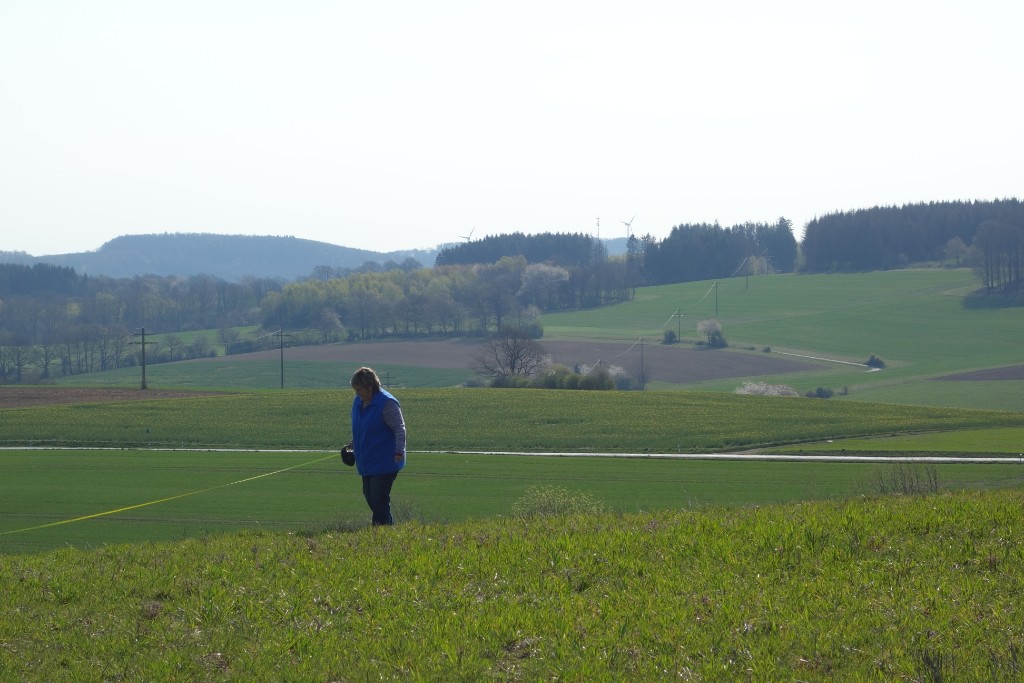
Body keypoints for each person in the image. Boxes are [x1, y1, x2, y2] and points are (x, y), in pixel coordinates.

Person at [344, 366, 406, 525]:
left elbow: (399, 428)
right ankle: (387, 529)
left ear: (370, 386)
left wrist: (399, 451)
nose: (357, 393)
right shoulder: (358, 402)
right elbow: (362, 428)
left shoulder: (387, 403)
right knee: (370, 496)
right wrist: (352, 445)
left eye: (359, 390)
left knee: (378, 498)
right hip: (367, 461)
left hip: (385, 461)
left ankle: (380, 531)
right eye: (355, 390)